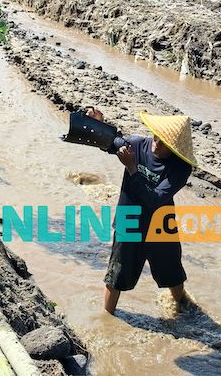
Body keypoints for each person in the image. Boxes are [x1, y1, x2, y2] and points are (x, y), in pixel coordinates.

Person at [86, 108, 196, 315]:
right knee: (116, 275)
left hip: (161, 224)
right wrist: (97, 125)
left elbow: (153, 200)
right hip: (128, 221)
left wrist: (132, 169)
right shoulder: (137, 144)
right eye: (157, 136)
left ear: (176, 148)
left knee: (173, 274)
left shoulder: (180, 168)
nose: (157, 142)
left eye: (165, 142)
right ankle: (107, 318)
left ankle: (183, 309)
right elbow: (111, 142)